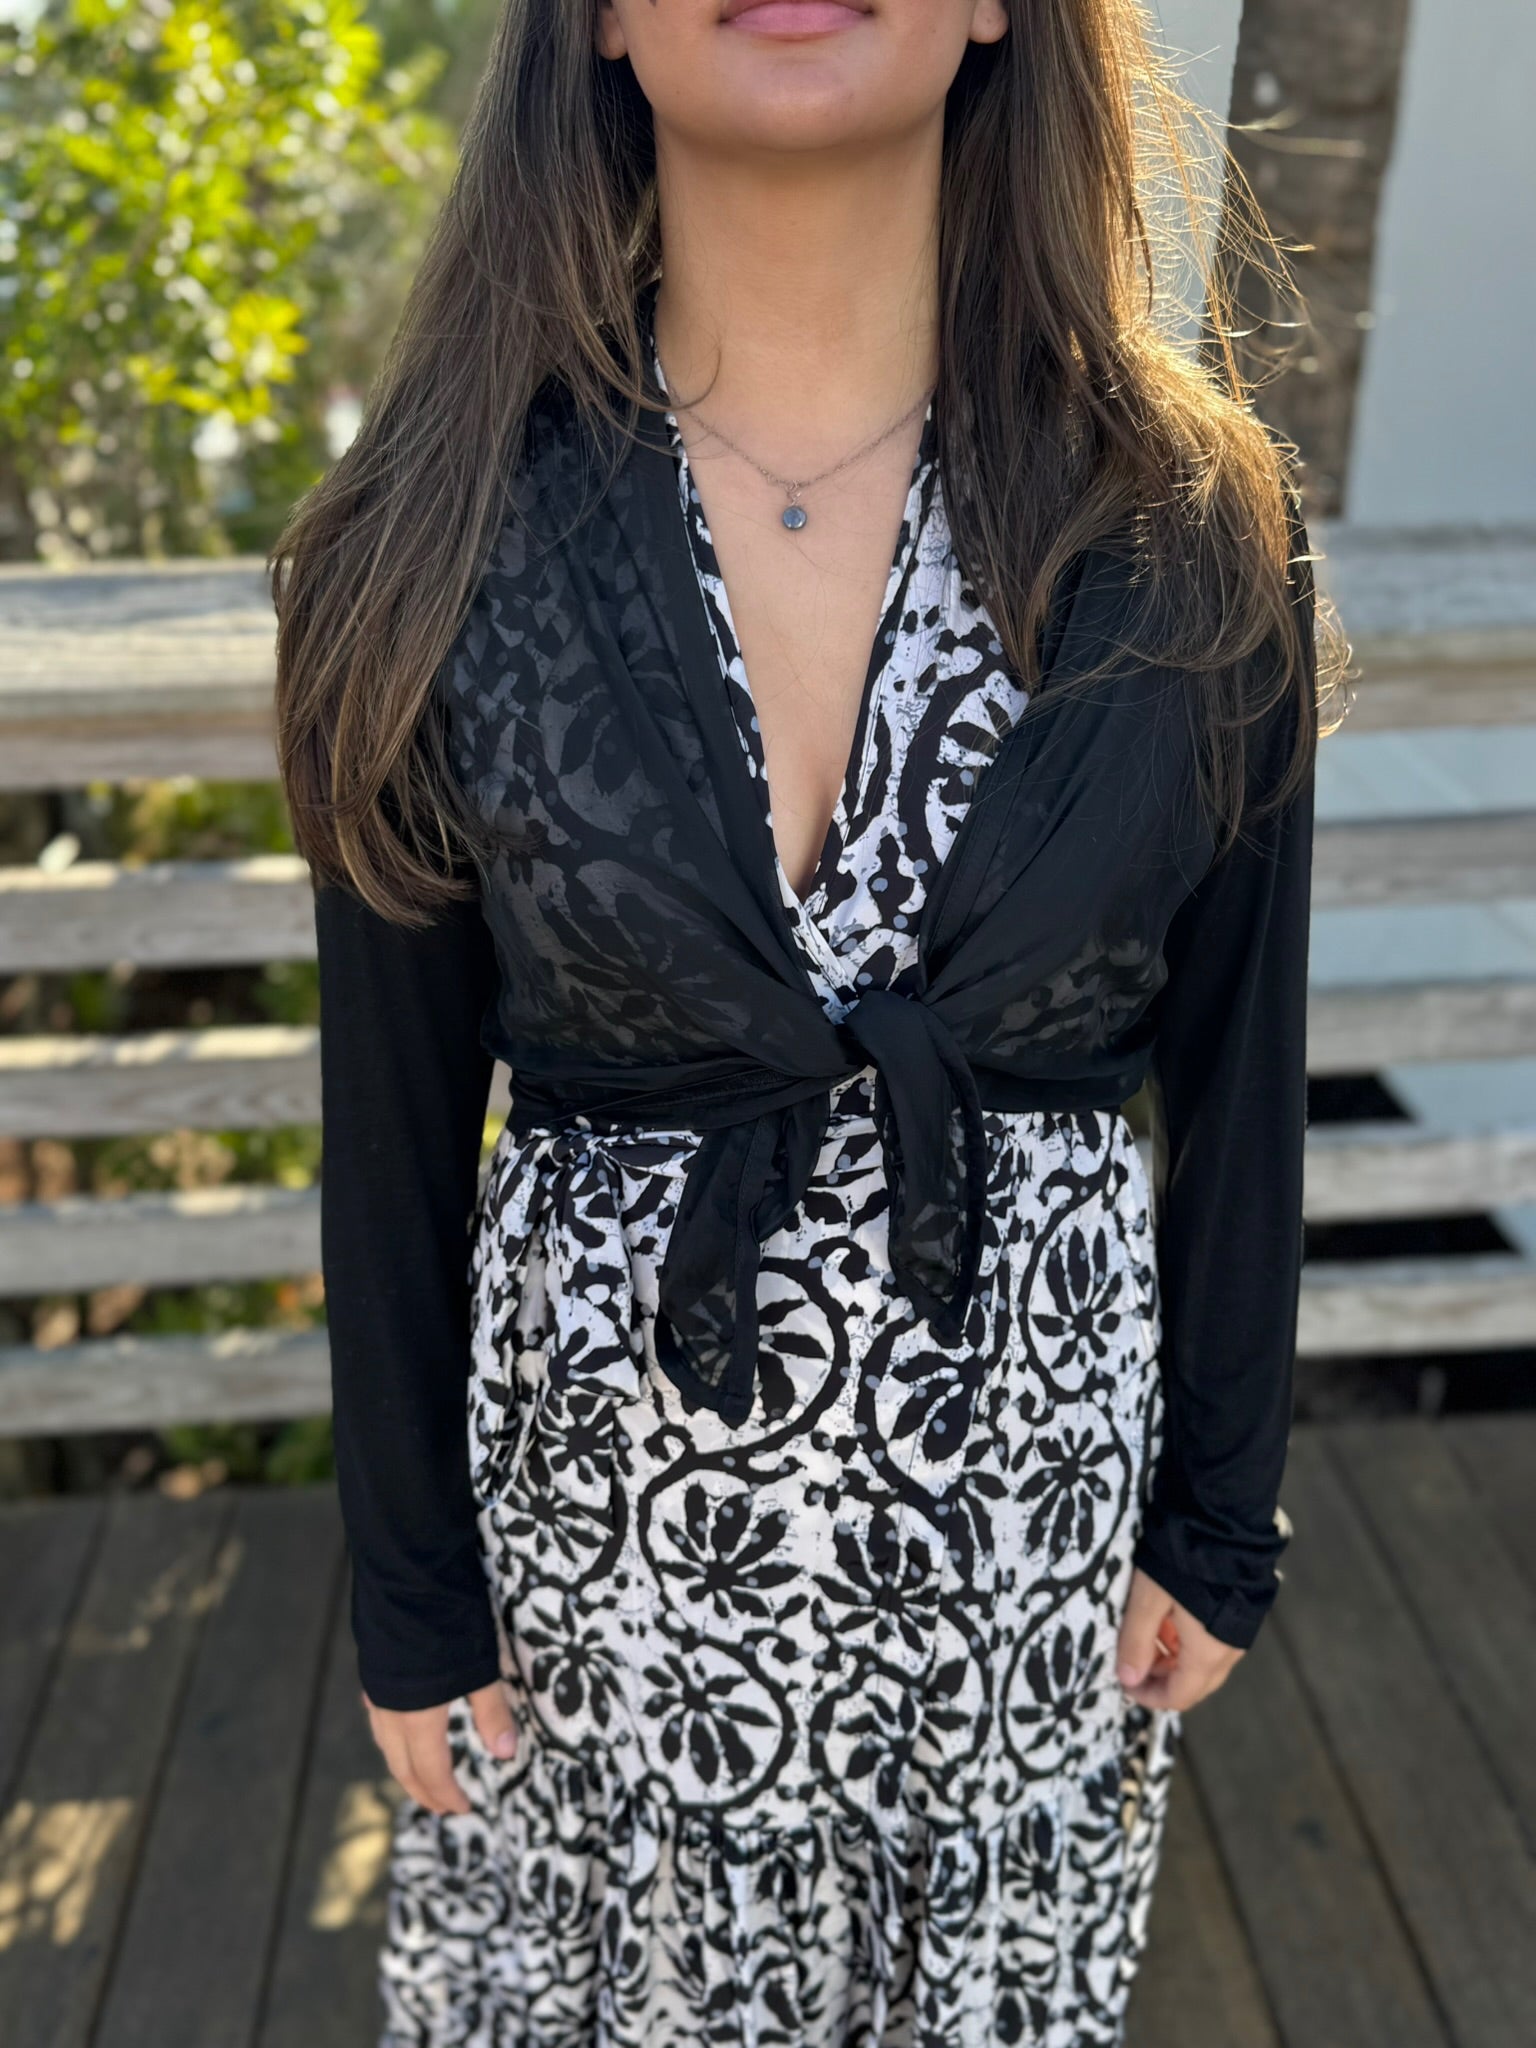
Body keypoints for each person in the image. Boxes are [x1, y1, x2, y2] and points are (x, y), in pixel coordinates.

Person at [271, 2, 1338, 2042]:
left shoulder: (1193, 528)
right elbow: (390, 1141)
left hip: (1022, 1598)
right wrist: (414, 1594)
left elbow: (1240, 1071)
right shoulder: (429, 531)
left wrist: (1221, 1509)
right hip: (600, 1619)